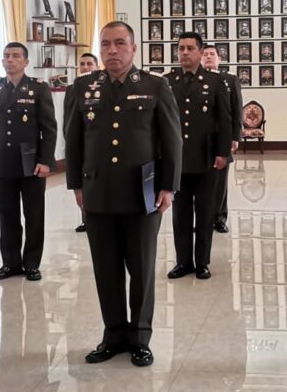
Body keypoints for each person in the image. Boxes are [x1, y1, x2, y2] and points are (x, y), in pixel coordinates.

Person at [64, 21, 181, 368]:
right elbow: (73, 140)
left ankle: (140, 338)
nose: (112, 50)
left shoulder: (155, 85)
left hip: (142, 192)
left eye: (119, 43)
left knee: (142, 268)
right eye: (105, 44)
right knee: (106, 269)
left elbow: (172, 139)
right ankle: (113, 335)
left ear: (133, 48)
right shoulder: (82, 87)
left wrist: (168, 186)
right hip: (98, 192)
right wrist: (76, 185)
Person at [0, 43, 57, 282]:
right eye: (6, 56)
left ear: (25, 62)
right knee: (7, 215)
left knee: (34, 215)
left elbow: (49, 128)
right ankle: (10, 263)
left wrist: (46, 160)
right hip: (2, 161)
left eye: (16, 56)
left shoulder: (38, 88)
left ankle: (32, 263)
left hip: (31, 162)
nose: (10, 60)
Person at [166, 34, 230, 280]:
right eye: (181, 48)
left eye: (190, 48)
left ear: (201, 52)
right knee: (180, 214)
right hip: (178, 160)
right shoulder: (169, 81)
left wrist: (223, 152)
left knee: (204, 213)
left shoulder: (215, 81)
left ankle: (202, 262)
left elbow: (224, 119)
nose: (184, 53)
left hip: (205, 158)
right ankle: (183, 262)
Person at [202, 45, 242, 230]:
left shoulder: (229, 80)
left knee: (220, 182)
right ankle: (202, 219)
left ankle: (219, 218)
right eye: (205, 54)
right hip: (200, 140)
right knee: (201, 182)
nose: (209, 57)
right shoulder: (195, 79)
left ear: (219, 59)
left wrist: (235, 136)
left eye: (212, 54)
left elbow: (237, 109)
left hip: (222, 138)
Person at [67, 52, 99, 233]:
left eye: (89, 64)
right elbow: (69, 119)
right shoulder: (73, 88)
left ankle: (92, 219)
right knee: (81, 184)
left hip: (95, 144)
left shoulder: (100, 87)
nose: (85, 67)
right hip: (80, 145)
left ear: (96, 66)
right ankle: (86, 219)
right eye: (82, 64)